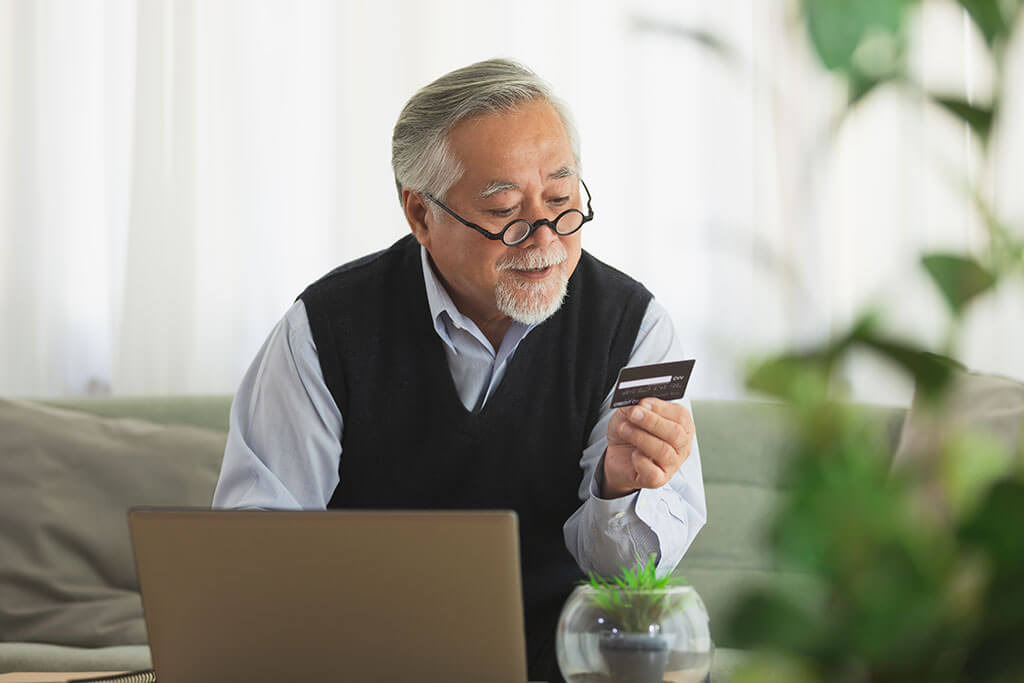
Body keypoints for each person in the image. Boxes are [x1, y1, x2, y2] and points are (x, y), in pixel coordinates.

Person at [213, 58, 707, 682]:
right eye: (505, 211)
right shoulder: (323, 329)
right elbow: (253, 550)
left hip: (570, 656)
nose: (546, 239)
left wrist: (617, 489)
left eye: (561, 199)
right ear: (421, 215)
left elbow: (626, 578)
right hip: (375, 655)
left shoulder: (636, 327)